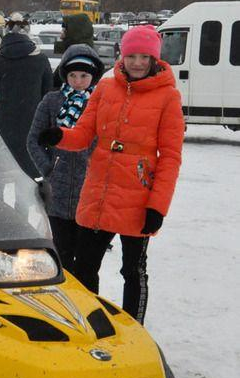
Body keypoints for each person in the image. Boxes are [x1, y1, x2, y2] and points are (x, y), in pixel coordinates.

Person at [37, 25, 184, 323]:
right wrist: (60, 137)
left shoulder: (168, 97)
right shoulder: (105, 87)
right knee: (84, 267)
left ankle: (134, 330)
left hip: (137, 197)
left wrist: (158, 206)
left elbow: (170, 157)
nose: (138, 63)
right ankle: (88, 322)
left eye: (144, 57)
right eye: (132, 56)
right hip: (99, 193)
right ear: (122, 56)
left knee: (132, 270)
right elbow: (83, 135)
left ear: (154, 58)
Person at [27, 44, 104, 272]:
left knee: (86, 263)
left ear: (93, 76)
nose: (78, 81)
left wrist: (95, 166)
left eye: (83, 75)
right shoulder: (52, 101)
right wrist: (49, 168)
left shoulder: (101, 103)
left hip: (89, 192)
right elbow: (33, 140)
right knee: (61, 257)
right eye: (72, 75)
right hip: (57, 194)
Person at [0, 13, 53, 178]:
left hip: (3, 128)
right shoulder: (41, 60)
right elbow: (48, 94)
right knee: (29, 182)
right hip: (33, 126)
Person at [52, 13, 94, 89]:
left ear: (74, 34)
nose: (61, 35)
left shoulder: (77, 59)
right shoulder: (73, 55)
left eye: (64, 31)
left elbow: (55, 84)